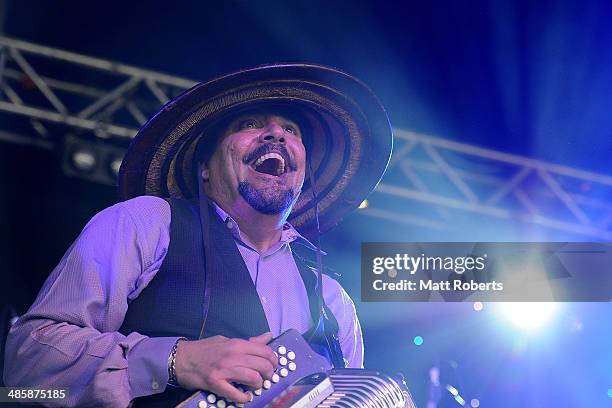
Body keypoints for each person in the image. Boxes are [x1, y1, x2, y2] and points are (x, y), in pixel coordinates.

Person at [3, 63, 393, 407]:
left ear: (303, 173)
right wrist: (173, 360)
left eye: (291, 130)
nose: (276, 134)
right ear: (204, 167)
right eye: (250, 124)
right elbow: (25, 372)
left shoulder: (331, 299)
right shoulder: (148, 223)